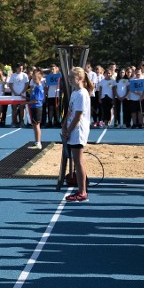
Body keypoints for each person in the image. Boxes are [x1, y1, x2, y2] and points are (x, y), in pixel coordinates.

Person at [61, 67, 93, 203]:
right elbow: (70, 112)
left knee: (78, 161)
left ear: (79, 78)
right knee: (76, 160)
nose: (68, 80)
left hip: (78, 130)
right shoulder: (75, 93)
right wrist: (64, 125)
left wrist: (69, 130)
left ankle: (82, 192)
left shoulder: (82, 94)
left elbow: (78, 116)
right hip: (72, 129)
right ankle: (81, 190)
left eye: (71, 78)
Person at [27, 69, 45, 149]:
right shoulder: (36, 87)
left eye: (35, 79)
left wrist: (26, 103)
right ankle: (36, 142)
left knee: (37, 125)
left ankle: (38, 143)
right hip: (34, 107)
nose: (33, 80)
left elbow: (36, 100)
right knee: (34, 125)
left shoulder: (39, 87)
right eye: (33, 79)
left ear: (39, 79)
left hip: (37, 108)